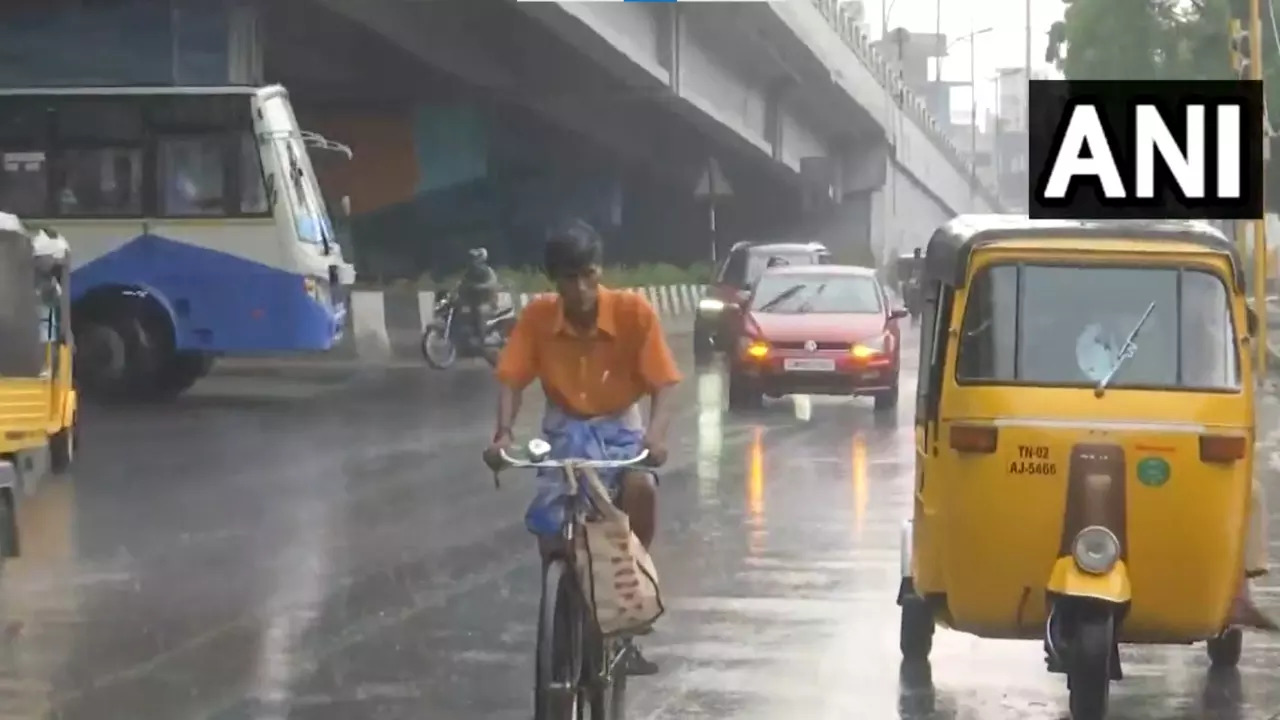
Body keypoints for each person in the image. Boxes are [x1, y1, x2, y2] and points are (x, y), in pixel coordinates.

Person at [483, 219, 682, 675]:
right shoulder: (537, 318)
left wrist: (656, 437)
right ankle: (566, 600)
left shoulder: (633, 313)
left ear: (600, 271)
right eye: (569, 278)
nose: (582, 288)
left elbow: (664, 384)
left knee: (641, 490)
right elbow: (511, 380)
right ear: (554, 282)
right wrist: (502, 435)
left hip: (620, 425)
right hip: (564, 427)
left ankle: (629, 593)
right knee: (553, 535)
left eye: (589, 274)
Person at [457, 247, 500, 345]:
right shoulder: (470, 272)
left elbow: (492, 284)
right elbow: (462, 283)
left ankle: (483, 337)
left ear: (481, 258)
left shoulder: (487, 271)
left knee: (479, 311)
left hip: (488, 300)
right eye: (472, 258)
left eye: (475, 257)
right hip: (474, 300)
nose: (473, 260)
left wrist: (477, 286)